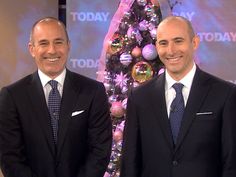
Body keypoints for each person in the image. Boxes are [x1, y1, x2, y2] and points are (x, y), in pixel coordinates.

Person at [120, 16, 236, 177]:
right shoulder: (140, 97)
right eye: (163, 43)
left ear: (194, 43)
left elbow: (232, 163)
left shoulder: (225, 94)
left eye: (178, 41)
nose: (171, 50)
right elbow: (130, 163)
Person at [0, 17, 112, 177]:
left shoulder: (93, 91)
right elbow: (10, 157)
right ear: (32, 49)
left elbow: (100, 151)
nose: (52, 50)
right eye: (43, 43)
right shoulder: (12, 96)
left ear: (68, 46)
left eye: (58, 42)